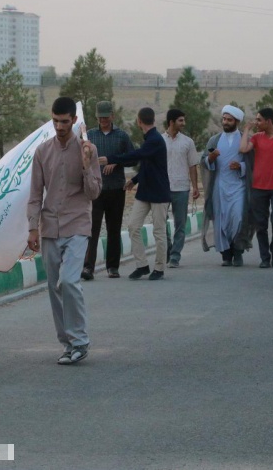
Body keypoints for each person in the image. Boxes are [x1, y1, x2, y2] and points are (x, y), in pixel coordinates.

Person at [27, 97, 101, 365]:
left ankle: (80, 340)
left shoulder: (87, 149)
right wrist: (32, 229)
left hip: (78, 224)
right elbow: (35, 194)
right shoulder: (42, 152)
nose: (60, 126)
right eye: (56, 121)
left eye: (65, 121)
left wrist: (85, 164)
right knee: (53, 286)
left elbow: (93, 193)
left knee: (69, 281)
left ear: (73, 120)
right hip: (49, 228)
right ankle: (68, 344)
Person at [103, 107, 171, 281]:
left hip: (159, 193)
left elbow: (137, 155)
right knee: (133, 226)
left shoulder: (154, 140)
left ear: (139, 121)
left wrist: (111, 158)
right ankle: (142, 265)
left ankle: (159, 268)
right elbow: (148, 165)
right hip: (145, 191)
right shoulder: (151, 139)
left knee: (159, 232)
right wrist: (134, 180)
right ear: (153, 120)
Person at [82, 100, 135, 280]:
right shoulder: (89, 136)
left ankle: (113, 267)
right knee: (92, 229)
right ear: (96, 117)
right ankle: (88, 267)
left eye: (106, 117)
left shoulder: (122, 136)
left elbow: (132, 158)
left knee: (114, 229)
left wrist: (116, 161)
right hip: (95, 190)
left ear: (112, 116)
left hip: (115, 189)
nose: (103, 120)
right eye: (100, 117)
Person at [239, 107, 273, 268]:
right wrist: (247, 130)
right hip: (258, 187)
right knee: (260, 224)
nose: (256, 123)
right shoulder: (256, 137)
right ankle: (265, 257)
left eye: (259, 120)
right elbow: (242, 149)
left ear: (268, 121)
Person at [201, 105, 255, 267]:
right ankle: (226, 254)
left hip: (239, 185)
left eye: (229, 120)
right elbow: (203, 162)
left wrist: (241, 167)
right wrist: (211, 157)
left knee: (238, 217)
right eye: (224, 119)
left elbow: (253, 163)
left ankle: (238, 251)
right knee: (221, 220)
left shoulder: (246, 139)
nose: (225, 122)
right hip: (219, 186)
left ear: (237, 121)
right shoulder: (215, 140)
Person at [162, 108, 200, 269]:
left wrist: (195, 187)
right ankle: (168, 248)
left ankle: (175, 256)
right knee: (160, 223)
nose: (183, 123)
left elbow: (193, 165)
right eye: (180, 121)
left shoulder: (188, 142)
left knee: (180, 223)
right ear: (171, 122)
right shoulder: (159, 140)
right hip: (162, 188)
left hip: (182, 188)